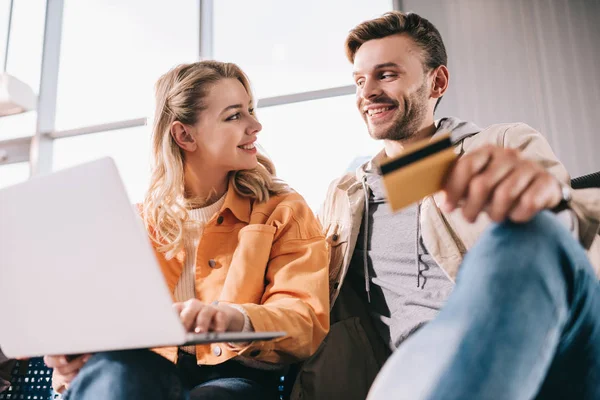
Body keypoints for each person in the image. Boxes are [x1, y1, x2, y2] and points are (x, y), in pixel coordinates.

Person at [293, 11, 600, 400]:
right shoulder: (345, 195)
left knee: (538, 234)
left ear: (436, 81)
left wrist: (549, 206)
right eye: (359, 80)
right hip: (413, 373)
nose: (366, 92)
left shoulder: (502, 144)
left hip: (532, 350)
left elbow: (569, 252)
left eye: (386, 74)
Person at [43, 60, 330, 400]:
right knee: (121, 375)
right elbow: (96, 321)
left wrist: (232, 317)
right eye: (234, 115)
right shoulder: (134, 224)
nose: (255, 125)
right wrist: (70, 358)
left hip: (234, 378)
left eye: (250, 110)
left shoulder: (282, 211)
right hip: (136, 372)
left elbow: (304, 321)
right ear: (184, 135)